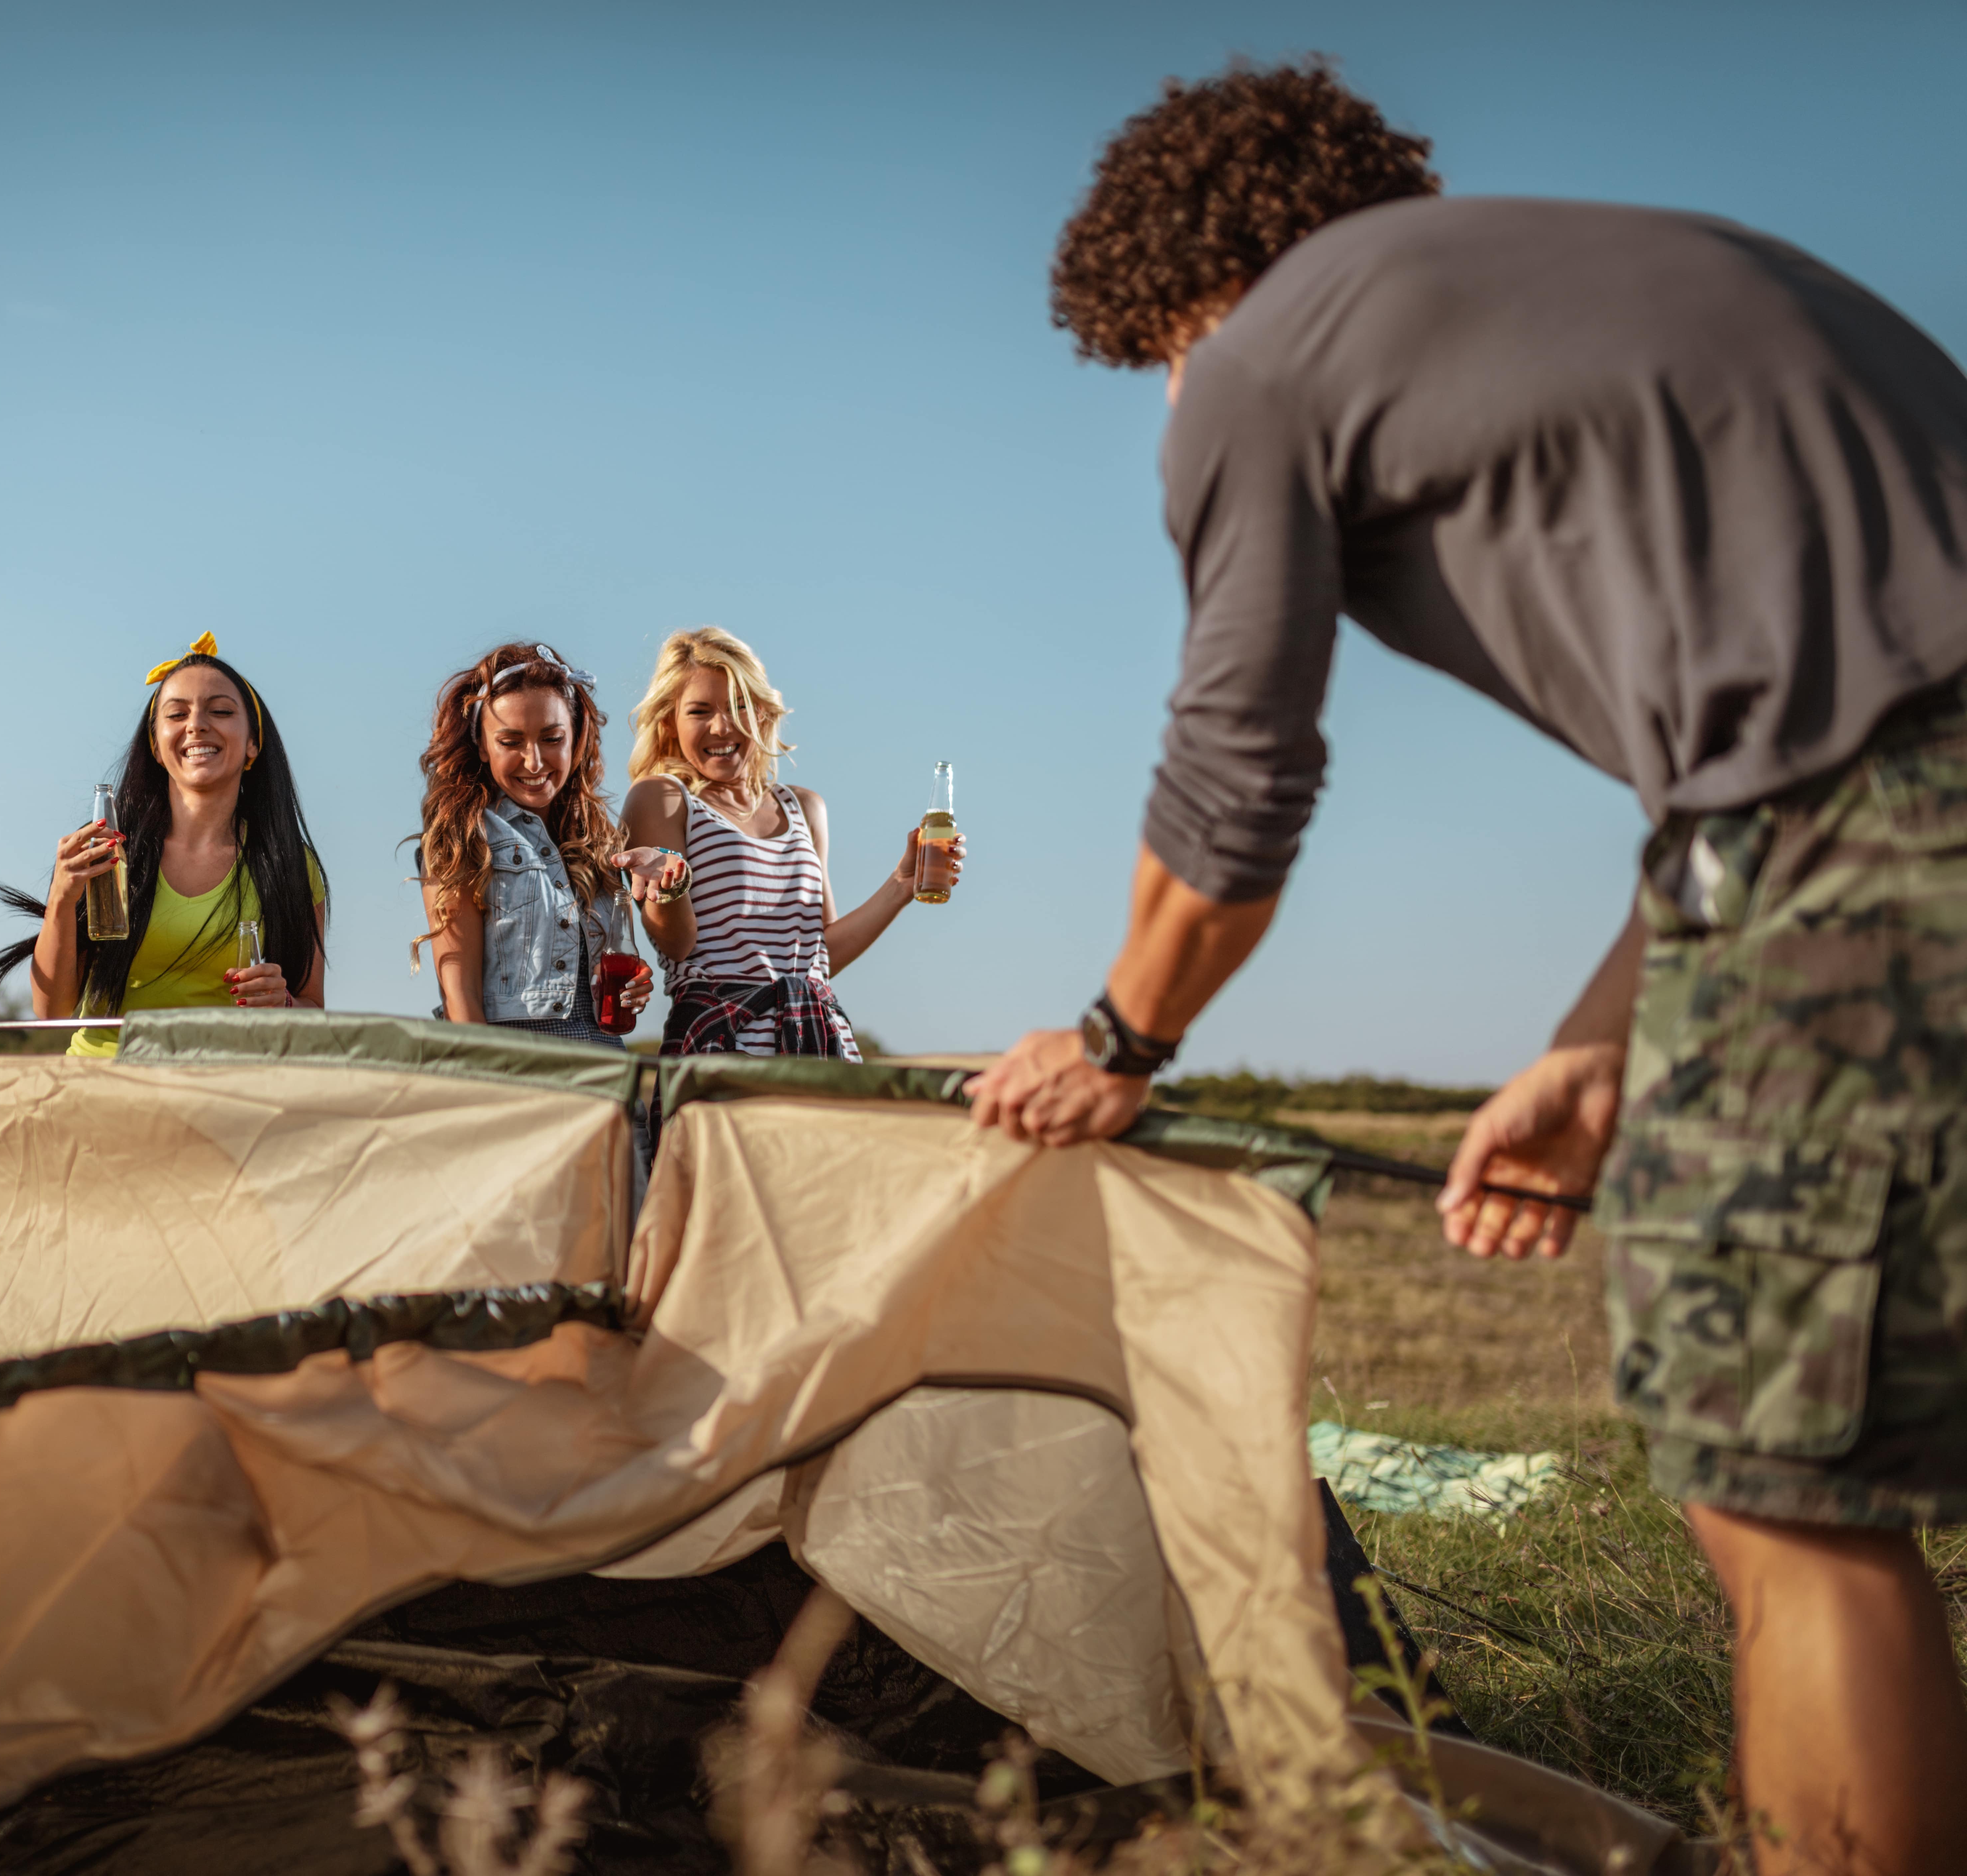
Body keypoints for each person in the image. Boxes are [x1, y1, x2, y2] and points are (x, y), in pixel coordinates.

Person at [966, 61, 1967, 1875]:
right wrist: (1602, 1049)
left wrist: (1121, 1034)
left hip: (1881, 856)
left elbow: (1233, 779)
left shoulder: (1267, 358)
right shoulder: (1652, 279)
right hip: (1857, 844)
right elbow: (1813, 722)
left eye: (1157, 367)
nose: (1175, 410)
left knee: (1785, 1499)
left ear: (1187, 291)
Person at [622, 627, 961, 1062]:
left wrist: (902, 884)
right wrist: (670, 886)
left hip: (819, 1041)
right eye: (700, 711)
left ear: (765, 712)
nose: (723, 725)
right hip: (724, 1044)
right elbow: (676, 946)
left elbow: (823, 955)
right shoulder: (664, 799)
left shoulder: (805, 807)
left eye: (741, 706)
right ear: (670, 721)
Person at [0, 634, 326, 1054]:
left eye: (220, 711)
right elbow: (52, 1012)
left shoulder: (291, 864)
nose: (197, 725)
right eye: (177, 714)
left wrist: (285, 1004)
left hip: (227, 1092)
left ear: (254, 743)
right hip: (107, 1088)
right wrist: (60, 896)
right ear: (157, 747)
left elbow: (313, 1008)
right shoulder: (108, 855)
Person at [413, 641, 671, 1047]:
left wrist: (630, 991)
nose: (534, 762)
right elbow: (460, 998)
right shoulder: (461, 838)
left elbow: (613, 979)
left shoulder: (600, 841)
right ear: (482, 745)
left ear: (576, 737)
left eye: (552, 738)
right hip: (521, 1077)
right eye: (511, 742)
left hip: (607, 1073)